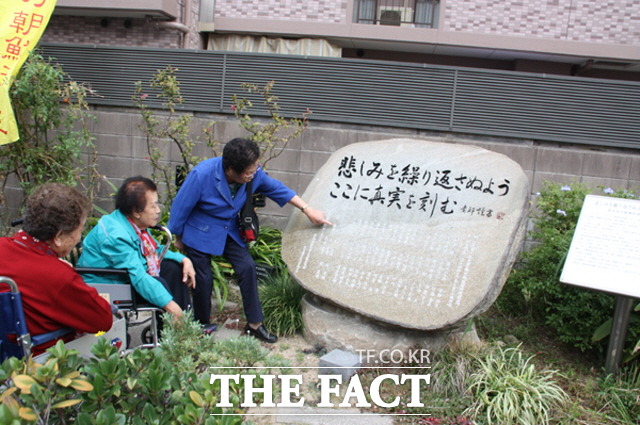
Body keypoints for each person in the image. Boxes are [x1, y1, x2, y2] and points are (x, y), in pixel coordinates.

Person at [169, 137, 332, 343]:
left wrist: (307, 210)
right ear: (230, 170)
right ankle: (201, 325)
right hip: (201, 229)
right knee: (203, 278)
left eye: (255, 168)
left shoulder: (253, 173)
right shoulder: (202, 174)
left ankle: (254, 324)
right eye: (248, 171)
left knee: (247, 267)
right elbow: (180, 206)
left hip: (229, 229)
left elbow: (277, 189)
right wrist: (178, 236)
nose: (253, 173)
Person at [0, 183, 113, 354]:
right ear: (59, 236)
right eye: (80, 229)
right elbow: (102, 322)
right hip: (42, 362)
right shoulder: (57, 275)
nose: (78, 237)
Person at [78, 176, 195, 319]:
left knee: (173, 268)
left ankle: (184, 326)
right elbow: (138, 276)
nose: (158, 211)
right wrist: (171, 306)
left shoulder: (133, 224)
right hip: (107, 286)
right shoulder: (116, 236)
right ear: (136, 211)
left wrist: (183, 259)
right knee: (159, 283)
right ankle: (174, 327)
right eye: (153, 206)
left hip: (124, 278)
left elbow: (156, 250)